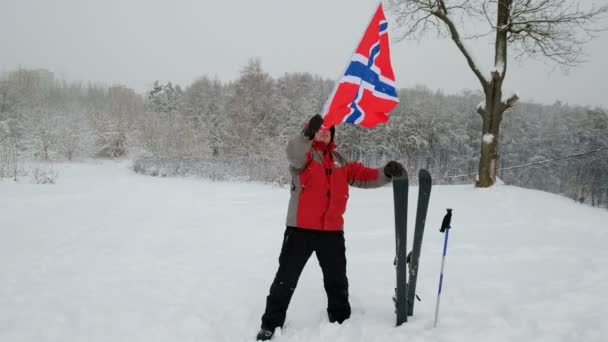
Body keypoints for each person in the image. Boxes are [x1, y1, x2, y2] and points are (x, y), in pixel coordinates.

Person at [256, 114, 405, 341]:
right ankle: (270, 323)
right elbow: (293, 152)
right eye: (320, 129)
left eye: (328, 130)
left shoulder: (340, 160)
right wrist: (305, 135)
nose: (324, 132)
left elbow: (364, 176)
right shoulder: (304, 156)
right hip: (300, 230)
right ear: (312, 131)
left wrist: (385, 172)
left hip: (332, 232)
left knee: (337, 279)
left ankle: (341, 319)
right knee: (286, 278)